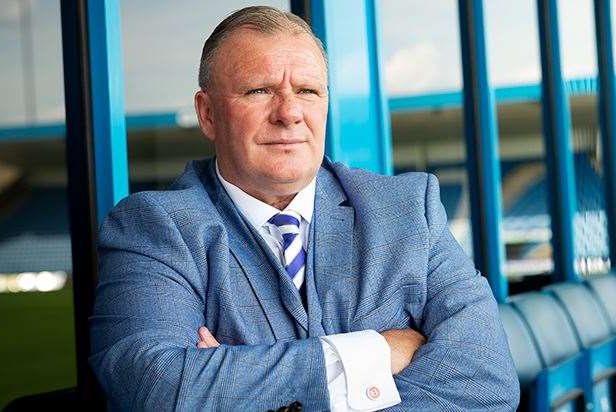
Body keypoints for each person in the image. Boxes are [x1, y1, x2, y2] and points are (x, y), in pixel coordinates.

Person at [90, 6, 519, 411]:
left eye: (308, 91)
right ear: (207, 114)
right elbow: (157, 388)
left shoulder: (408, 209)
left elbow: (488, 383)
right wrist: (375, 352)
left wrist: (238, 383)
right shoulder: (153, 228)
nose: (289, 113)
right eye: (259, 91)